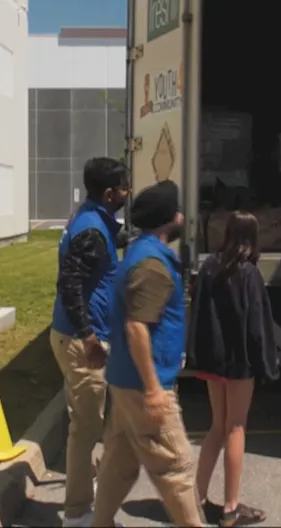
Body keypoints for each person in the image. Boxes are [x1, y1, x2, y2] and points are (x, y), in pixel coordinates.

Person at [91, 180, 204, 527]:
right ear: (171, 218)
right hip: (144, 386)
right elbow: (137, 327)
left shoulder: (140, 254)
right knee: (176, 469)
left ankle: (100, 523)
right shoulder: (152, 265)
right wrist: (155, 390)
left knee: (118, 466)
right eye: (178, 208)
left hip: (125, 382)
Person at [50, 157, 129, 528]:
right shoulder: (91, 232)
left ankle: (84, 495)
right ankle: (78, 514)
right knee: (85, 429)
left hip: (79, 336)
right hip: (81, 340)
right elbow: (70, 286)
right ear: (111, 193)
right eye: (124, 188)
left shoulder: (91, 219)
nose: (127, 193)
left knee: (87, 423)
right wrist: (89, 337)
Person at [189, 212, 280, 526]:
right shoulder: (249, 274)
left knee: (217, 425)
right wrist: (266, 362)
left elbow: (198, 311)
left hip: (214, 360)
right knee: (236, 427)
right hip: (240, 361)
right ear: (253, 237)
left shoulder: (210, 266)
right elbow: (257, 327)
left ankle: (196, 498)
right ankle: (230, 507)